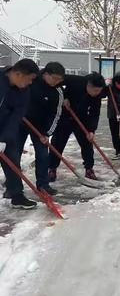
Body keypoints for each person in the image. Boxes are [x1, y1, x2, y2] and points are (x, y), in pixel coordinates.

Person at [17, 62, 65, 197]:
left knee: (43, 155)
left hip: (40, 127)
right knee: (14, 152)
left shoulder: (58, 92)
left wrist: (47, 133)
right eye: (54, 78)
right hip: (21, 121)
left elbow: (56, 115)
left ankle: (43, 185)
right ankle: (13, 185)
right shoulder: (31, 80)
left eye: (59, 79)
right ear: (45, 74)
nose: (57, 82)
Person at [48, 72, 106, 181]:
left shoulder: (97, 95)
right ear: (89, 86)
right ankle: (52, 168)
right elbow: (57, 82)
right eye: (95, 91)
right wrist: (63, 97)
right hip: (65, 117)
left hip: (81, 119)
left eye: (99, 91)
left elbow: (95, 113)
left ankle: (89, 169)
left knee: (87, 143)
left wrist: (91, 130)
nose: (97, 93)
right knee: (57, 143)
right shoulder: (76, 81)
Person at [0, 59, 39, 209]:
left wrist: (4, 139)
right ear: (18, 74)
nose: (30, 83)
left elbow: (17, 116)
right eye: (29, 79)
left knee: (13, 161)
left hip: (5, 130)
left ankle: (17, 196)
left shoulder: (24, 91)